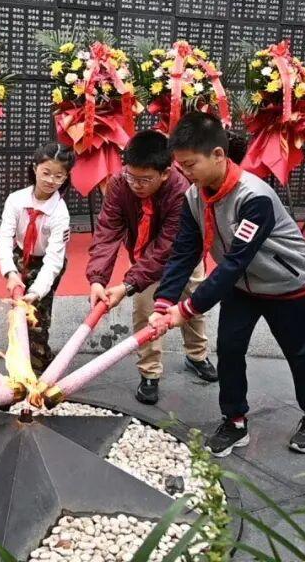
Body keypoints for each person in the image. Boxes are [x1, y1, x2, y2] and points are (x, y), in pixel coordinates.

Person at [150, 111, 305, 457]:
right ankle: (234, 421)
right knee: (229, 350)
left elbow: (234, 262)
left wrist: (188, 309)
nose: (185, 174)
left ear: (218, 155)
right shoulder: (194, 196)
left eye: (190, 165)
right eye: (180, 166)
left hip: (284, 286)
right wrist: (164, 301)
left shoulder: (254, 197)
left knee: (299, 351)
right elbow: (185, 252)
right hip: (243, 289)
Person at [85, 130, 213, 406]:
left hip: (185, 257)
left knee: (191, 307)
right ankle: (150, 373)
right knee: (145, 312)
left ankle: (197, 355)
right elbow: (108, 231)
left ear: (165, 173)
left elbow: (168, 245)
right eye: (131, 176)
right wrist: (97, 279)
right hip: (144, 259)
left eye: (145, 180)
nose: (136, 185)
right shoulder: (120, 184)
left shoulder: (182, 191)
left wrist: (128, 284)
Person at [0, 142, 75, 372]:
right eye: (46, 172)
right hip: (21, 257)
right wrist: (10, 273)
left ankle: (40, 366)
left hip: (46, 264)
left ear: (66, 177)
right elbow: (4, 238)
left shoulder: (60, 213)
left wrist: (36, 291)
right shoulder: (16, 200)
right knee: (17, 310)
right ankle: (19, 361)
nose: (51, 180)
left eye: (59, 176)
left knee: (38, 317)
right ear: (35, 168)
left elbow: (53, 261)